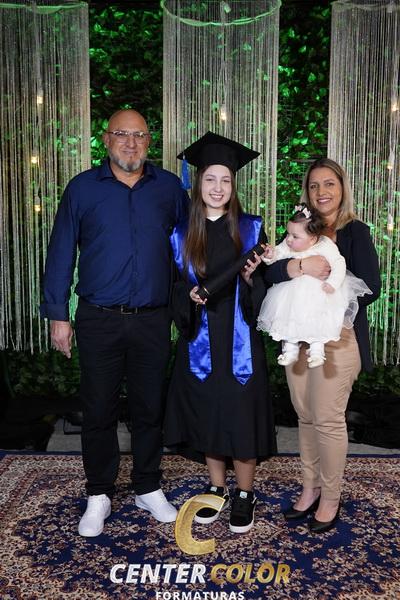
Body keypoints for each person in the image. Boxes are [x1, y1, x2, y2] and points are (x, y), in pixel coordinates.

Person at [40, 109, 190, 536]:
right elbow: (61, 251)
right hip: (98, 318)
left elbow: (186, 249)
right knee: (98, 408)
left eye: (139, 135)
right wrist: (58, 315)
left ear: (149, 141)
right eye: (122, 134)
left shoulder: (169, 188)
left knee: (149, 407)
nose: (130, 143)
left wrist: (189, 305)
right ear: (106, 140)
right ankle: (99, 493)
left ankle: (147, 486)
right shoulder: (82, 188)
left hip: (153, 319)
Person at [164, 132, 276, 534]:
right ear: (199, 183)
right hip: (200, 333)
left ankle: (245, 492)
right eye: (210, 179)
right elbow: (173, 286)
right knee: (208, 409)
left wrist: (250, 280)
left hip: (240, 335)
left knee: (241, 412)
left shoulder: (251, 229)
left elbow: (265, 288)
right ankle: (217, 488)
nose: (217, 187)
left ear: (233, 185)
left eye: (225, 180)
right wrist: (187, 295)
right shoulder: (180, 233)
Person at [265, 158, 380, 533]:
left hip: (337, 335)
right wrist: (300, 268)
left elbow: (372, 287)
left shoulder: (355, 232)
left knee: (328, 419)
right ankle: (310, 488)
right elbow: (271, 271)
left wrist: (324, 297)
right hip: (298, 335)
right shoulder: (300, 228)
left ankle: (331, 496)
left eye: (329, 184)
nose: (322, 192)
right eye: (314, 185)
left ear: (342, 188)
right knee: (305, 415)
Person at [257, 203, 372, 368]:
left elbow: (339, 263)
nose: (288, 239)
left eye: (295, 236)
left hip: (317, 294)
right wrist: (270, 255)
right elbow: (277, 256)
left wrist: (333, 283)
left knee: (318, 321)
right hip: (292, 294)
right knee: (289, 318)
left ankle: (317, 351)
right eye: (288, 233)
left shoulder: (325, 245)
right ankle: (290, 350)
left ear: (312, 238)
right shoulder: (288, 245)